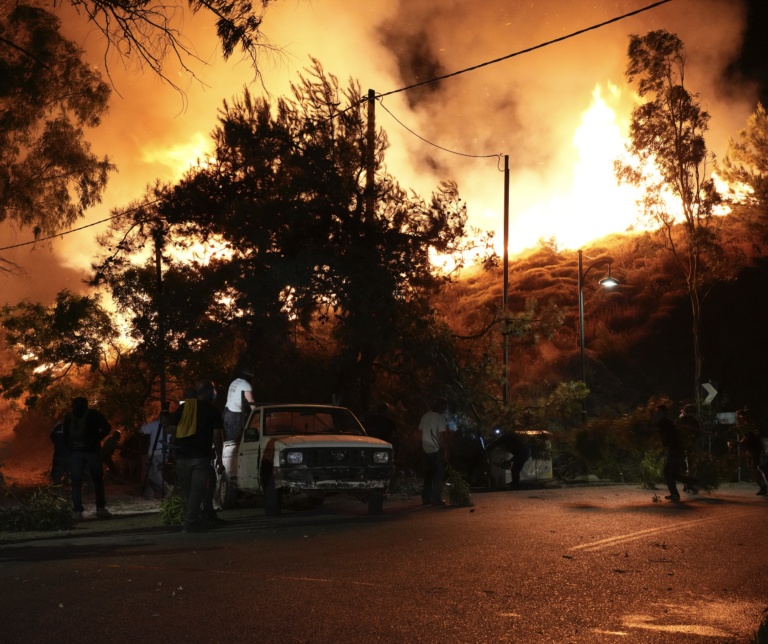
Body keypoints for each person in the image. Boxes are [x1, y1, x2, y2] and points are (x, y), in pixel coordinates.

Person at [169, 380, 225, 532]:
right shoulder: (213, 410)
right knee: (197, 491)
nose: (215, 393)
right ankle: (191, 522)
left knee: (188, 492)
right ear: (208, 392)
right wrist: (220, 459)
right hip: (201, 456)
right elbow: (217, 437)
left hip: (182, 456)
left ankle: (194, 519)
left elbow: (173, 431)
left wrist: (174, 451)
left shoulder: (183, 409)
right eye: (214, 390)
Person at [62, 397, 113, 521]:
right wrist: (97, 438)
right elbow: (107, 427)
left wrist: (71, 448)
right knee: (98, 480)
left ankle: (78, 512)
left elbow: (64, 435)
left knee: (76, 482)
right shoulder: (94, 414)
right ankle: (100, 508)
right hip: (93, 451)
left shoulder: (69, 417)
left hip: (75, 453)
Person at [650, 404, 699, 501]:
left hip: (674, 449)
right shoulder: (666, 421)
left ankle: (681, 490)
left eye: (658, 411)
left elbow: (651, 429)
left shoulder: (664, 422)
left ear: (663, 413)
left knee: (668, 472)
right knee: (673, 474)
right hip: (674, 449)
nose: (656, 413)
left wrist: (638, 429)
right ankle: (694, 482)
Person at [419, 397, 449, 507]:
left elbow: (420, 433)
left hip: (425, 449)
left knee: (428, 475)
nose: (445, 409)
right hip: (436, 449)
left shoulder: (425, 416)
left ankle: (426, 498)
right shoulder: (440, 418)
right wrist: (445, 451)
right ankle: (436, 498)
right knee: (438, 475)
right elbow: (442, 436)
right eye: (445, 407)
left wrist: (422, 446)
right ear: (441, 407)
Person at [737, 409, 768, 496]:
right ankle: (763, 486)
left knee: (755, 467)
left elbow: (747, 436)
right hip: (752, 448)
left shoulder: (747, 425)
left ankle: (764, 487)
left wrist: (741, 442)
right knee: (755, 468)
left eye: (738, 416)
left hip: (756, 448)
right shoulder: (744, 425)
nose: (737, 418)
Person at [140, 416, 171, 500]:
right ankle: (149, 494)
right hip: (165, 453)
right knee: (156, 473)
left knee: (151, 474)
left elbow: (141, 431)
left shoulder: (155, 423)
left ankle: (167, 489)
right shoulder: (170, 425)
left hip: (155, 453)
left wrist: (143, 425)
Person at [223, 367, 254, 442]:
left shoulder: (235, 381)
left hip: (226, 412)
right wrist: (257, 413)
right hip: (234, 414)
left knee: (227, 438)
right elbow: (251, 402)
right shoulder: (246, 385)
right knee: (233, 440)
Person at [49, 418, 69, 486]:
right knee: (70, 472)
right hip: (68, 455)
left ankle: (57, 489)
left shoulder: (56, 427)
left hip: (58, 454)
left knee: (57, 473)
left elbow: (52, 438)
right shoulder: (71, 428)